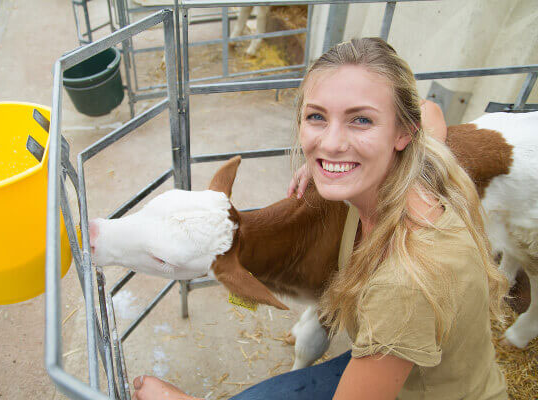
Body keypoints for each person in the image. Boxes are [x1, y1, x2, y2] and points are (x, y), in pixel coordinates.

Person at [132, 37, 508, 400]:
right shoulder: (410, 176)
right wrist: (336, 164)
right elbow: (430, 111)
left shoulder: (407, 281)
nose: (330, 142)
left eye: (360, 120)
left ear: (403, 133)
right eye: (317, 117)